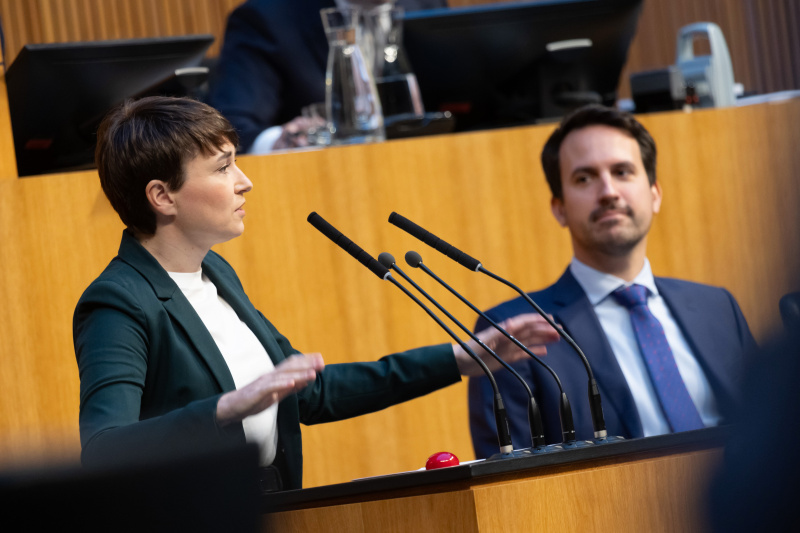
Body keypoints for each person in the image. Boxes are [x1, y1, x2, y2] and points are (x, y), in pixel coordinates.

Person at [74, 96, 559, 491]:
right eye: (223, 168)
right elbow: (104, 449)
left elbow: (312, 392)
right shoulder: (119, 301)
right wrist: (229, 408)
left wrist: (462, 359)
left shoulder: (215, 274)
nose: (245, 182)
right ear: (163, 196)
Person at [468, 104, 757, 458]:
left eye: (622, 171)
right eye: (584, 178)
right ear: (559, 208)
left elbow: (772, 430)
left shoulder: (718, 308)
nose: (608, 192)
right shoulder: (515, 330)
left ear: (655, 194)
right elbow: (510, 487)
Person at [205, 0, 446, 153]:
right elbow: (232, 125)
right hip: (320, 184)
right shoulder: (268, 19)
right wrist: (283, 141)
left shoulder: (427, 5)